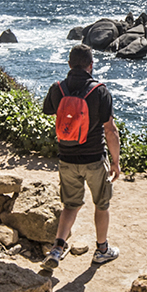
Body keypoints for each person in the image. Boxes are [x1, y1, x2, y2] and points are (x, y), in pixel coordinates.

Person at [41, 44, 121, 270]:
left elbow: (51, 112)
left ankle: (57, 249)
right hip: (95, 158)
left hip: (66, 158)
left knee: (70, 205)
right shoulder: (100, 91)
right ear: (91, 65)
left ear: (69, 64)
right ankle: (102, 250)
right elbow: (110, 130)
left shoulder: (57, 88)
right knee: (102, 205)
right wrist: (115, 161)